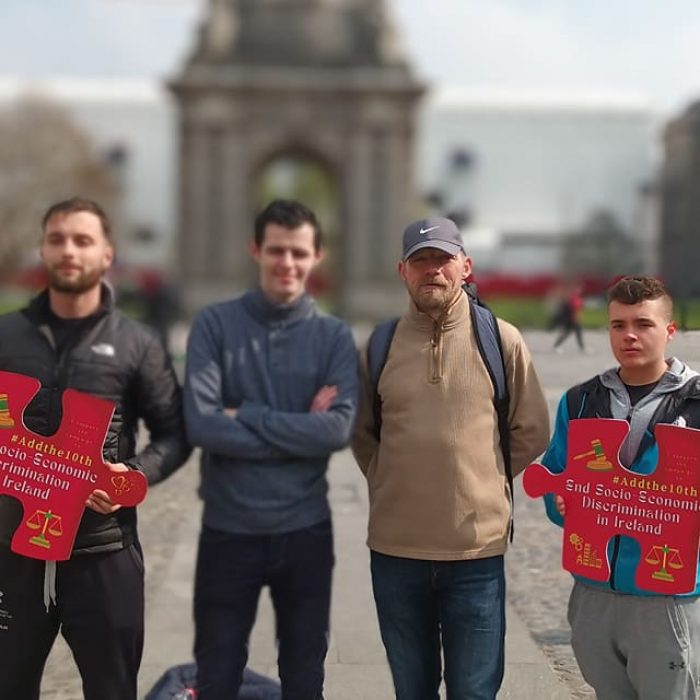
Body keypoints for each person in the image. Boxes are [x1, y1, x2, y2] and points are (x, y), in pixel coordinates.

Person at [0, 197, 191, 700]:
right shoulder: (5, 334)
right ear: (42, 248)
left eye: (83, 240)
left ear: (107, 255)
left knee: (112, 691)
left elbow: (175, 433)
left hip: (103, 552)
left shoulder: (138, 343)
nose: (69, 250)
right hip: (10, 550)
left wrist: (130, 476)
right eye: (58, 238)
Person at [352, 217, 550, 700]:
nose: (432, 271)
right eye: (421, 261)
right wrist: (388, 478)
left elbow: (533, 429)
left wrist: (484, 479)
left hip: (475, 554)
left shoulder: (502, 340)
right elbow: (362, 433)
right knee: (412, 689)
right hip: (397, 551)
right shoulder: (378, 346)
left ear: (465, 266)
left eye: (443, 259)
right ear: (402, 270)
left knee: (475, 691)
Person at [184, 199, 358, 700]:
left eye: (299, 252)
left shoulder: (332, 336)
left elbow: (337, 431)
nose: (287, 263)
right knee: (216, 673)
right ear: (255, 250)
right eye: (276, 250)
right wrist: (302, 425)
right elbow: (203, 425)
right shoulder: (214, 326)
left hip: (305, 532)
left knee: (305, 676)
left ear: (317, 255)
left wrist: (249, 415)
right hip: (227, 531)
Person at [540, 275, 700, 700]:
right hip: (592, 590)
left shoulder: (698, 401)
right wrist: (560, 504)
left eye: (643, 324)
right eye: (618, 325)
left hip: (667, 595)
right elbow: (558, 478)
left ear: (669, 330)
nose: (629, 335)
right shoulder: (579, 400)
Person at [552, 281, 586, 353]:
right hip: (573, 319)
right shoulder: (574, 298)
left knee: (575, 333)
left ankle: (582, 348)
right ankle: (556, 346)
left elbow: (579, 309)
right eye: (577, 288)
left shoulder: (577, 297)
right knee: (570, 333)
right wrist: (576, 319)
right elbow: (574, 309)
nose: (579, 290)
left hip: (574, 319)